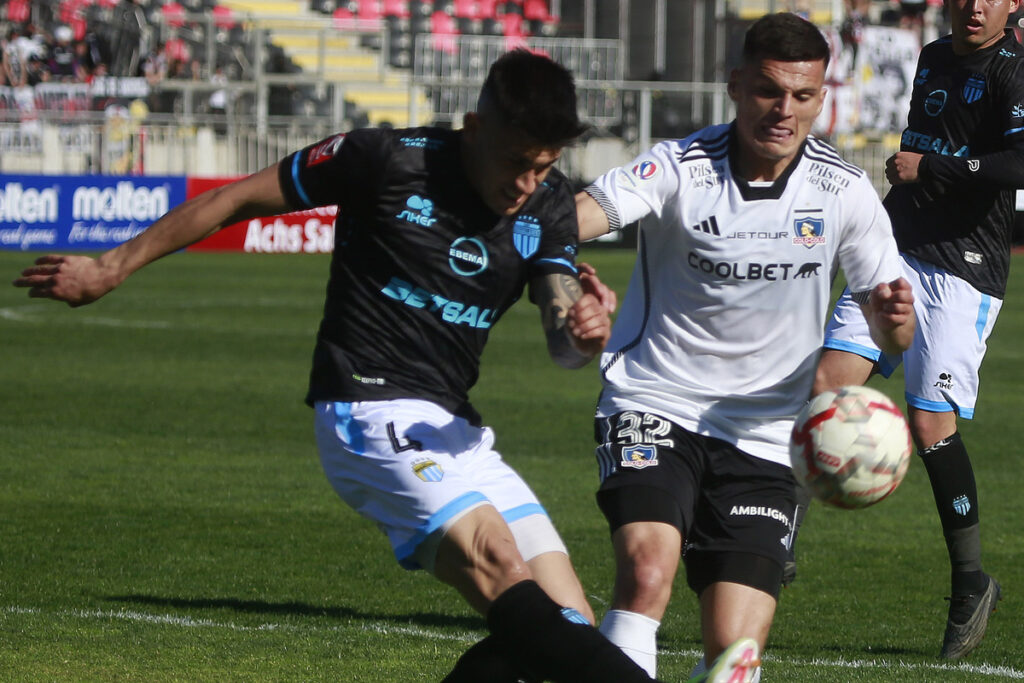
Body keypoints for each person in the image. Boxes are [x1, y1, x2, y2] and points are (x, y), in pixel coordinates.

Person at [13, 50, 666, 683]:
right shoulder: (383, 160)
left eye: (544, 166)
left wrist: (584, 330)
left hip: (454, 429)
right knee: (498, 558)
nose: (526, 184)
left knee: (565, 627)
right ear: (474, 129)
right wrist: (110, 265)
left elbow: (561, 338)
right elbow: (237, 199)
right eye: (516, 163)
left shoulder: (549, 204)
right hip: (367, 405)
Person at [573, 12, 916, 680]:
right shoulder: (678, 166)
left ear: (822, 98)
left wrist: (893, 317)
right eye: (768, 90)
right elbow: (585, 213)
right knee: (646, 575)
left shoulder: (843, 191)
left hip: (767, 437)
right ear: (735, 85)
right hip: (655, 401)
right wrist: (548, 247)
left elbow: (894, 332)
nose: (784, 110)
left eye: (803, 95)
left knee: (733, 656)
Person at [814, 0, 1023, 660]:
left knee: (931, 425)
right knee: (824, 387)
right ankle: (772, 544)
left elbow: (1018, 166)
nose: (975, 6)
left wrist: (931, 167)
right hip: (895, 249)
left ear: (1014, 3)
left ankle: (970, 582)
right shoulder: (933, 57)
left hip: (964, 266)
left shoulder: (1013, 71)